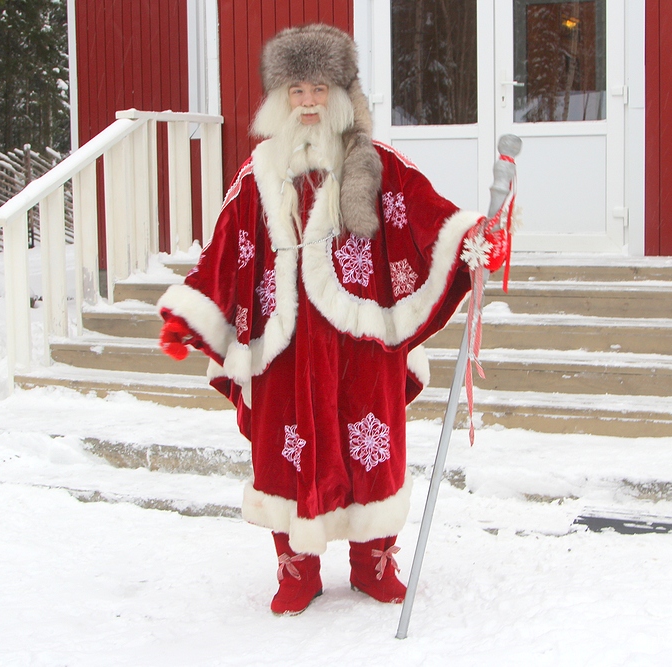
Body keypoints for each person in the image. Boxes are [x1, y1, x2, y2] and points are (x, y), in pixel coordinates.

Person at [156, 24, 494, 616]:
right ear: (279, 97)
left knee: (371, 445)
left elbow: (425, 218)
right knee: (285, 449)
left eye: (318, 88)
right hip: (284, 343)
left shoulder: (378, 162)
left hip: (362, 338)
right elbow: (228, 248)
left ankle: (373, 563)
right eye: (295, 90)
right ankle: (297, 570)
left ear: (340, 91)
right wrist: (193, 313)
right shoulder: (257, 170)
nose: (307, 101)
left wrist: (471, 239)